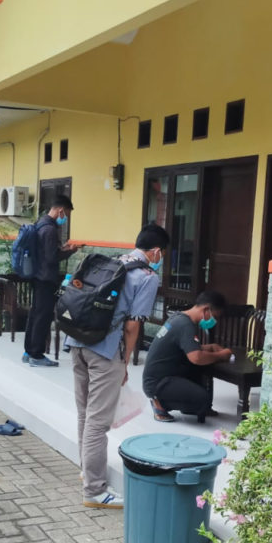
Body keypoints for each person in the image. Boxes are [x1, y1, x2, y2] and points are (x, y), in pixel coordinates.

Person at [65, 223, 171, 508]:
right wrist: (125, 363)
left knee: (85, 415)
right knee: (98, 424)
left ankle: (86, 471)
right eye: (162, 254)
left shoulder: (112, 261)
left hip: (77, 343)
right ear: (157, 252)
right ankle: (95, 491)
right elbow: (133, 325)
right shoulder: (146, 276)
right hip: (106, 352)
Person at [142, 290, 232, 423]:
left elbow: (189, 348)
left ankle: (191, 405)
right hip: (159, 383)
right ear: (206, 309)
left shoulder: (179, 318)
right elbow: (196, 357)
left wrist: (210, 347)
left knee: (201, 368)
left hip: (164, 376)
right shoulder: (185, 325)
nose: (214, 321)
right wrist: (221, 355)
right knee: (203, 399)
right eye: (215, 317)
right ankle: (160, 403)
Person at [23, 194, 78, 366]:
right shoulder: (50, 229)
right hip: (46, 279)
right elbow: (52, 257)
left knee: (35, 314)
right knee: (43, 316)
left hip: (36, 276)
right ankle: (37, 355)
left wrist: (61, 248)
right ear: (61, 210)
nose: (65, 219)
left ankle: (28, 351)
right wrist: (70, 250)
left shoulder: (40, 224)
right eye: (66, 215)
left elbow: (46, 252)